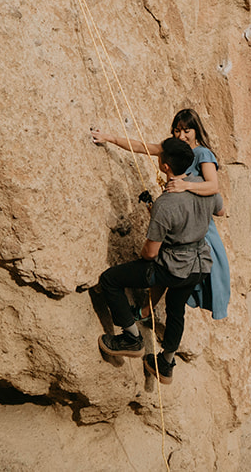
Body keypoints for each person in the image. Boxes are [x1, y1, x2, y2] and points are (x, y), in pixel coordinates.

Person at [88, 137, 221, 385]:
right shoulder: (204, 187)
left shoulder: (166, 203)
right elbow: (220, 209)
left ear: (166, 167)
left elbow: (149, 254)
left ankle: (131, 338)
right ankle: (166, 363)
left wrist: (159, 222)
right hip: (200, 265)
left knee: (110, 280)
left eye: (160, 155)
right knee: (176, 310)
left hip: (174, 267)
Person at [92, 109, 230, 321]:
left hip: (197, 225)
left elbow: (213, 186)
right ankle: (145, 312)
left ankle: (145, 313)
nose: (181, 135)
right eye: (177, 130)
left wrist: (185, 185)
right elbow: (141, 147)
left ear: (196, 130)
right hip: (178, 219)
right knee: (168, 266)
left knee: (172, 268)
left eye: (186, 130)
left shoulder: (203, 154)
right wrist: (108, 138)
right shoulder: (173, 149)